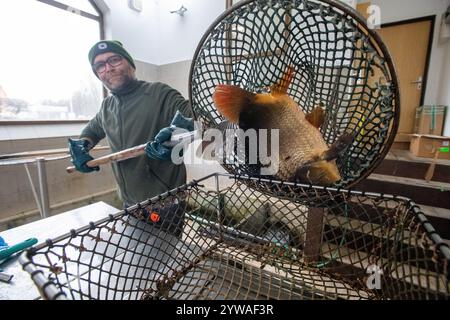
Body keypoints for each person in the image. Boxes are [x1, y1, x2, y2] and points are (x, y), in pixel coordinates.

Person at [68, 40, 194, 219]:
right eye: (100, 66)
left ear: (131, 64)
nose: (108, 68)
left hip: (165, 201)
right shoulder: (107, 106)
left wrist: (180, 131)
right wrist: (81, 146)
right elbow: (92, 131)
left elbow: (195, 116)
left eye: (114, 60)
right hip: (129, 202)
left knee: (163, 247)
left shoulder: (159, 93)